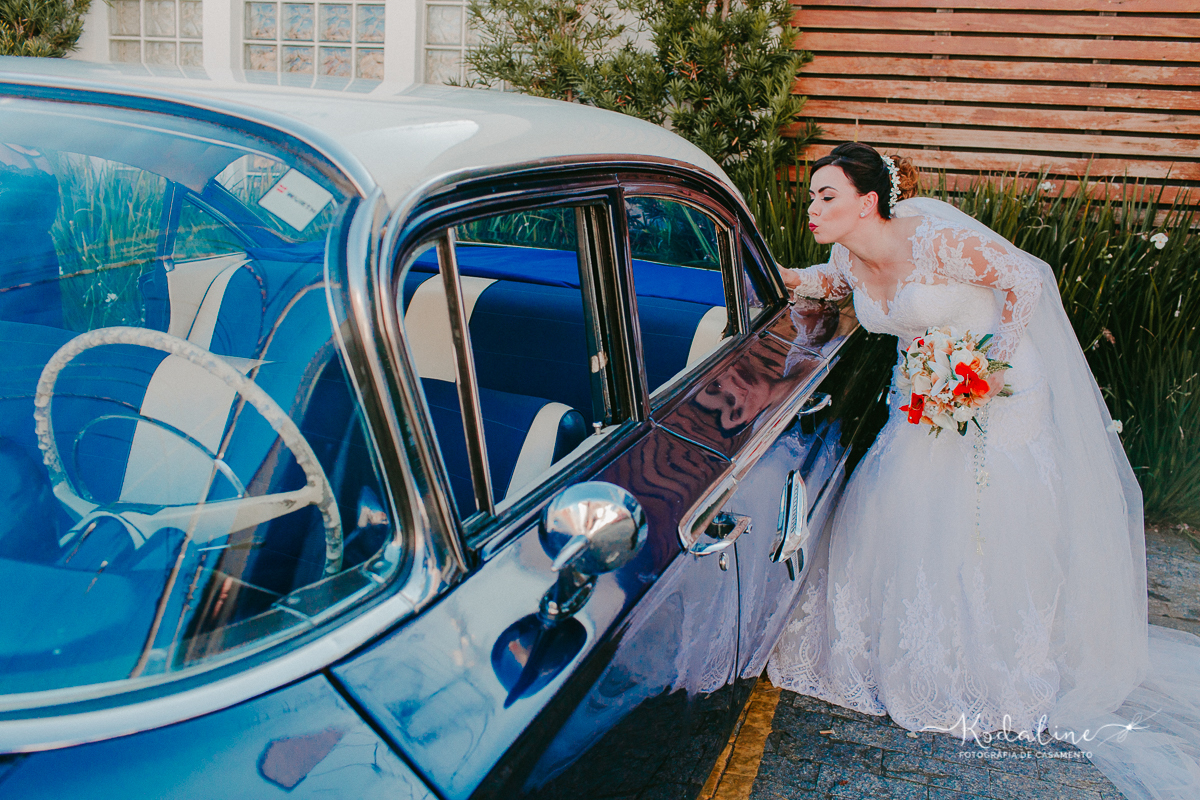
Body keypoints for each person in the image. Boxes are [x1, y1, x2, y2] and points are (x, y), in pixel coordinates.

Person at [766, 142, 1200, 800]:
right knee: (896, 502)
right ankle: (904, 651)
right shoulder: (845, 255)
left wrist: (990, 364)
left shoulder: (933, 237)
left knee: (982, 518)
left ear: (867, 200)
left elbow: (1027, 279)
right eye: (811, 198)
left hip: (997, 390)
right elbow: (831, 288)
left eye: (827, 195)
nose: (813, 207)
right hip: (922, 394)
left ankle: (992, 661)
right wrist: (781, 278)